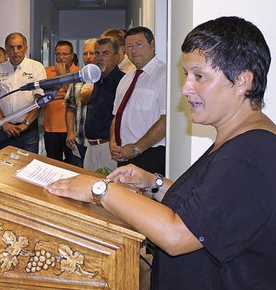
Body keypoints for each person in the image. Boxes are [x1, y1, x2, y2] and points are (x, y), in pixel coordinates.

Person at [46, 16, 276, 289]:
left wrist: (100, 190)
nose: (185, 88)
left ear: (242, 81)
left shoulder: (252, 152)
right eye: (186, 75)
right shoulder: (237, 141)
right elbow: (207, 211)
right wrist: (154, 184)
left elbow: (178, 235)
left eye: (199, 76)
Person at [110, 27, 167, 175]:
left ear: (152, 44)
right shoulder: (126, 78)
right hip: (124, 155)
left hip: (150, 154)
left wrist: (136, 148)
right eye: (129, 46)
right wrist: (113, 142)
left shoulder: (164, 76)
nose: (134, 50)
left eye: (139, 44)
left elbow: (166, 120)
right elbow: (117, 115)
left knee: (146, 199)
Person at [0, 32, 46, 153]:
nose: (16, 51)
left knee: (28, 166)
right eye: (11, 47)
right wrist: (4, 123)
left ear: (25, 48)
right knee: (6, 165)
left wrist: (26, 123)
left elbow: (39, 99)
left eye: (19, 47)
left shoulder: (36, 67)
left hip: (28, 128)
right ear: (6, 49)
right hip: (5, 128)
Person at [82, 38, 124, 171]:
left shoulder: (122, 81)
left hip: (109, 149)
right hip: (91, 147)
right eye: (97, 53)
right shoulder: (97, 80)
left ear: (117, 58)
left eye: (105, 53)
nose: (99, 58)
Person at [43, 40, 79, 163]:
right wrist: (65, 95)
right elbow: (43, 96)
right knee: (52, 165)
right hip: (51, 128)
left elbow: (77, 97)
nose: (61, 57)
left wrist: (63, 76)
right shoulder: (46, 72)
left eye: (65, 54)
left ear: (72, 55)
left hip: (72, 130)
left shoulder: (79, 72)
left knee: (73, 165)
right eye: (58, 54)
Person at [65, 38, 96, 167]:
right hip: (79, 141)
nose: (88, 57)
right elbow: (70, 109)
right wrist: (70, 132)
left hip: (99, 143)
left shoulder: (106, 78)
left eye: (92, 53)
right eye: (85, 54)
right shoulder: (76, 79)